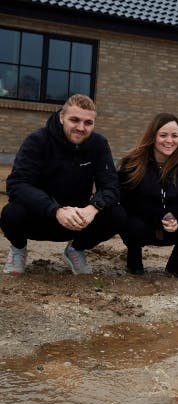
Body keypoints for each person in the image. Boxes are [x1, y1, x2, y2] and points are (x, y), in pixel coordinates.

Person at [1, 94, 125, 275]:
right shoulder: (37, 141)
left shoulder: (99, 144)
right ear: (61, 117)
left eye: (88, 123)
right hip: (41, 216)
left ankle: (75, 249)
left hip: (78, 221)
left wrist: (93, 208)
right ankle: (18, 249)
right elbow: (17, 184)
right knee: (11, 214)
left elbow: (111, 186)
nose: (81, 128)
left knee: (117, 214)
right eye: (74, 120)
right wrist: (55, 210)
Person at [117, 113, 178, 279]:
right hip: (145, 224)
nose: (169, 140)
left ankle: (176, 262)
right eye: (163, 135)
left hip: (175, 224)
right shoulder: (134, 160)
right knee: (124, 217)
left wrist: (177, 216)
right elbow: (128, 199)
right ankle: (134, 257)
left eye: (174, 135)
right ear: (153, 135)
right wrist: (160, 215)